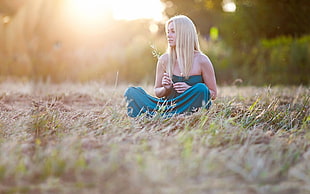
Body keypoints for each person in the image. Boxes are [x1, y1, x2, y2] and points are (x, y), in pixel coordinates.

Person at [124, 15, 217, 117]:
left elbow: (213, 94)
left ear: (184, 33)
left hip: (190, 107)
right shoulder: (164, 60)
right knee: (132, 92)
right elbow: (157, 92)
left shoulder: (202, 60)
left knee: (201, 88)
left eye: (173, 31)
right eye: (168, 32)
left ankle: (160, 116)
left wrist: (189, 89)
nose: (168, 35)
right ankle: (167, 115)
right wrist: (165, 89)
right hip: (167, 107)